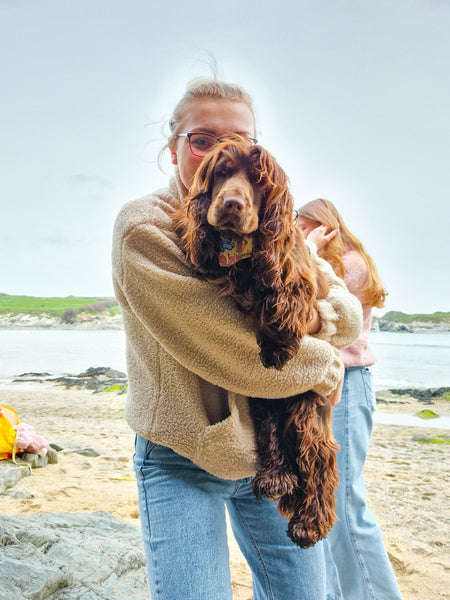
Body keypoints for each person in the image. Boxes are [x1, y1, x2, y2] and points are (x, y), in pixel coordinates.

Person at [112, 76, 363, 600]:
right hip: (183, 454)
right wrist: (327, 364)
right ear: (173, 144)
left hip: (270, 451)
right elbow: (241, 356)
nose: (219, 154)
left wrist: (311, 322)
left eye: (240, 143)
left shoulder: (273, 220)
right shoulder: (146, 228)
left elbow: (349, 312)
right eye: (202, 139)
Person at [297, 198, 403, 600]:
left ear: (324, 226)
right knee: (319, 501)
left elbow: (316, 313)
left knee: (343, 504)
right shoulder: (327, 261)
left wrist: (312, 253)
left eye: (304, 226)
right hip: (322, 387)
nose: (298, 234)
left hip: (347, 385)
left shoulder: (349, 264)